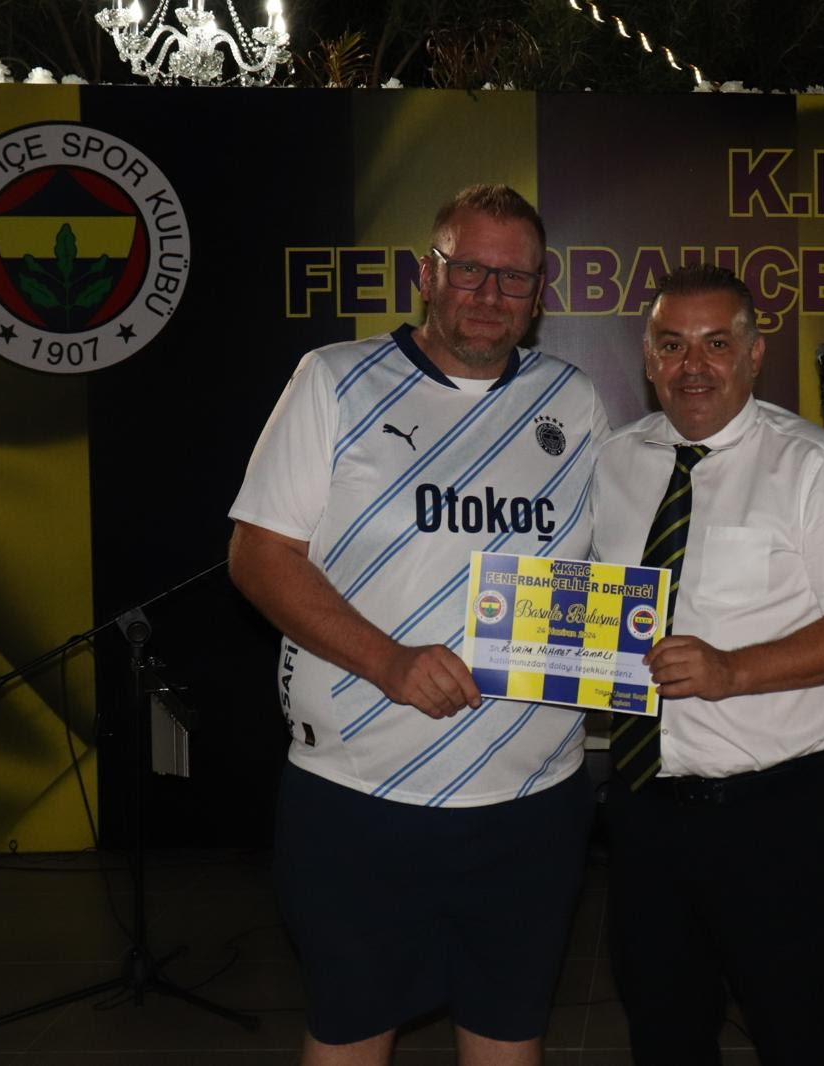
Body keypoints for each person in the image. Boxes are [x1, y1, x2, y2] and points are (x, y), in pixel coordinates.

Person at [228, 184, 609, 1066]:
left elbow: (595, 571)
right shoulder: (334, 379)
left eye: (514, 277)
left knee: (509, 1037)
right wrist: (390, 662)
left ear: (540, 292)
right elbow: (258, 556)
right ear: (425, 275)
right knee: (351, 1036)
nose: (490, 294)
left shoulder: (574, 399)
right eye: (468, 268)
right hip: (363, 796)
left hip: (534, 799)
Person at [590, 263, 824, 1064]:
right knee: (663, 1028)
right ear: (648, 358)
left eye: (717, 344)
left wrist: (732, 670)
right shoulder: (612, 462)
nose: (693, 365)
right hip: (642, 806)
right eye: (672, 345)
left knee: (797, 1030)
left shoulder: (815, 465)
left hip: (772, 814)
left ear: (755, 355)